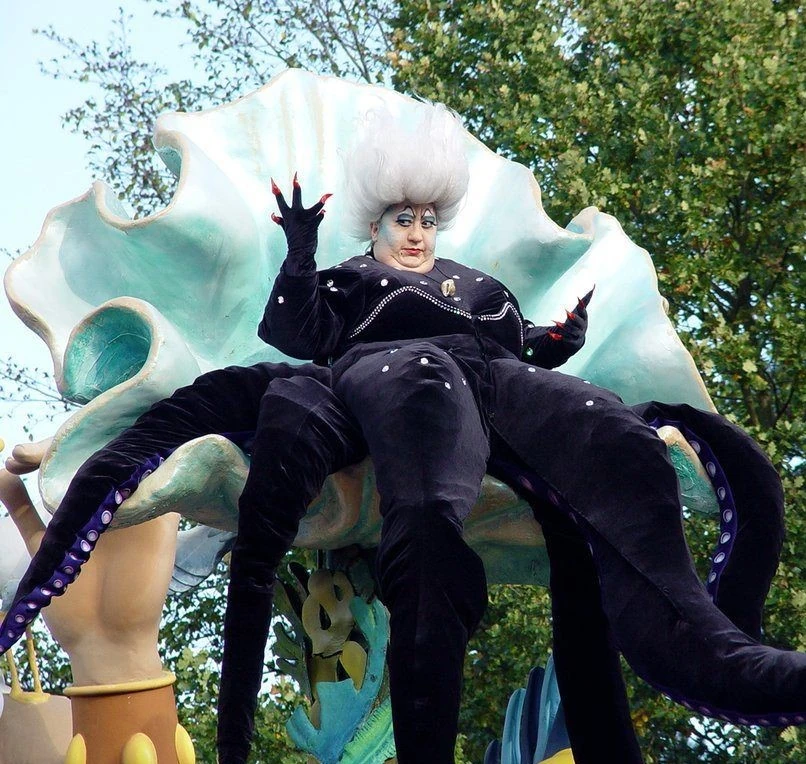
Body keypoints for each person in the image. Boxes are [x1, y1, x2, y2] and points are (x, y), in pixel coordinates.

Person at [0, 102, 802, 764]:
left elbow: (518, 346)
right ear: (376, 222)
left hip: (494, 386)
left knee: (618, 449)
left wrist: (561, 342)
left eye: (426, 219)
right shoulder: (350, 282)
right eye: (401, 218)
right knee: (425, 502)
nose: (416, 232)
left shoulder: (478, 288)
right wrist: (300, 250)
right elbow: (298, 332)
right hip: (377, 388)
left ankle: (718, 652)